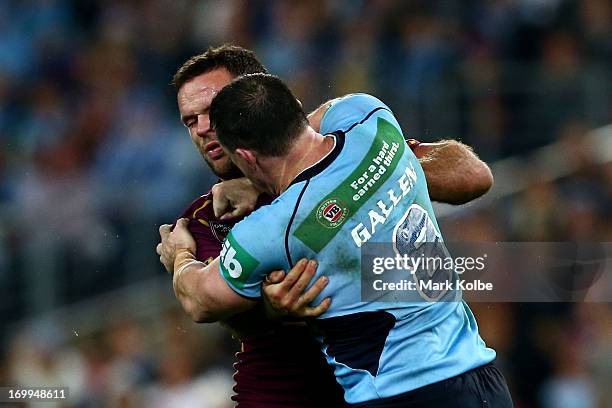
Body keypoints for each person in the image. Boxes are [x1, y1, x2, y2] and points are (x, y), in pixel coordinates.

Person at [158, 45, 496, 406]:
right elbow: (225, 315)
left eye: (213, 109)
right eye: (190, 120)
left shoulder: (354, 144)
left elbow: (472, 175)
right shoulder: (210, 219)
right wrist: (271, 307)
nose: (205, 129)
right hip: (286, 397)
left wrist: (351, 192)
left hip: (390, 388)